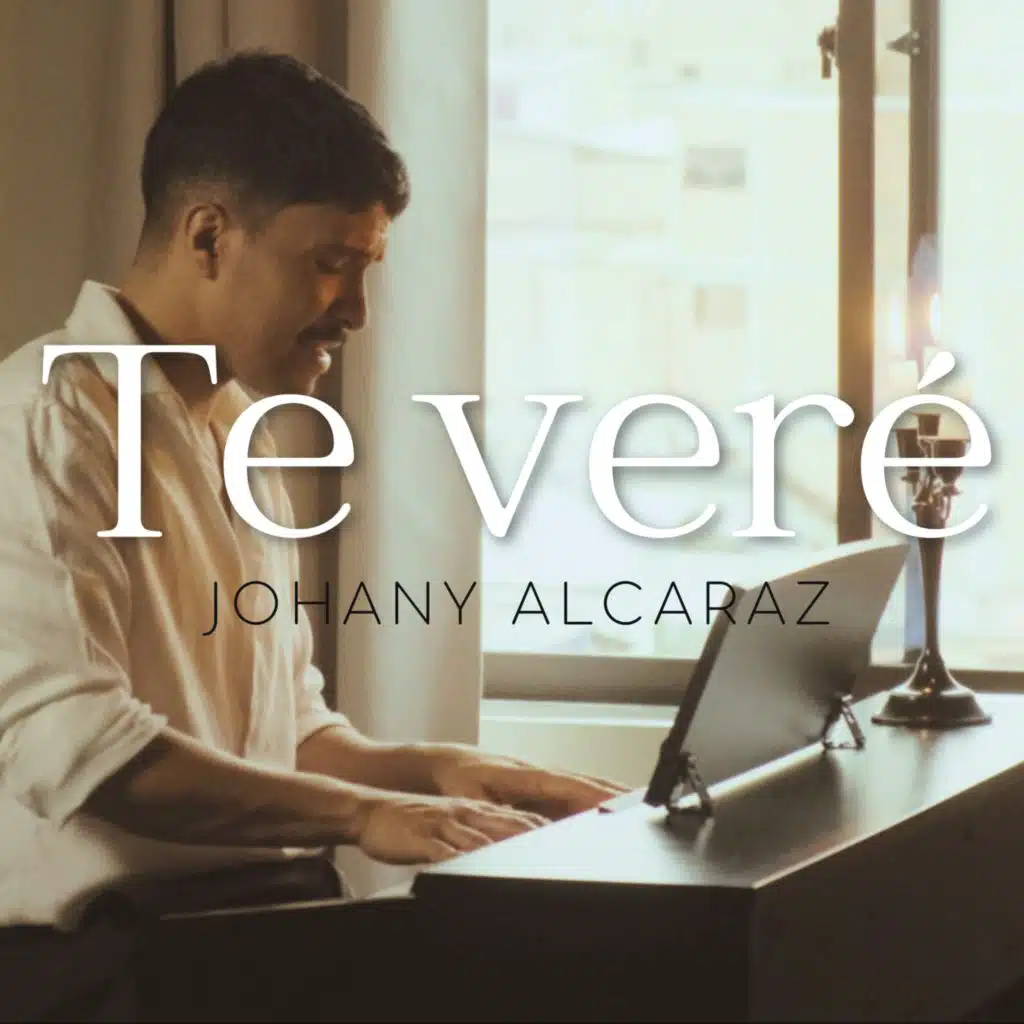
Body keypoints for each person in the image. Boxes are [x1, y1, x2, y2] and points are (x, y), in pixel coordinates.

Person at [0, 50, 627, 1019]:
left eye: (366, 270)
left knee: (591, 961)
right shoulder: (45, 422)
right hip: (113, 967)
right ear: (210, 236)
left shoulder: (235, 435)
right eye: (330, 263)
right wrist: (368, 814)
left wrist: (443, 771)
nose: (357, 312)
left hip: (250, 931)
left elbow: (286, 736)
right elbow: (83, 749)